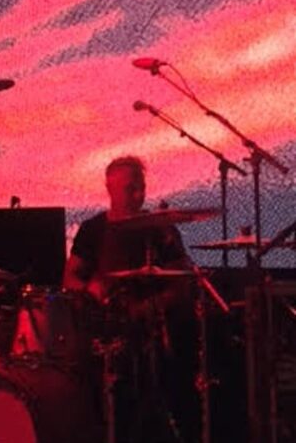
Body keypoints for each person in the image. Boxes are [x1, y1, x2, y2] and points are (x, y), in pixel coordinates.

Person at [63, 155, 197, 443]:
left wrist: (150, 307)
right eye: (130, 189)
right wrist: (90, 288)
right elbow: (70, 278)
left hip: (154, 331)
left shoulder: (161, 229)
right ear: (109, 188)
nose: (138, 195)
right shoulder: (93, 230)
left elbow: (182, 283)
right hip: (103, 333)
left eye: (141, 188)